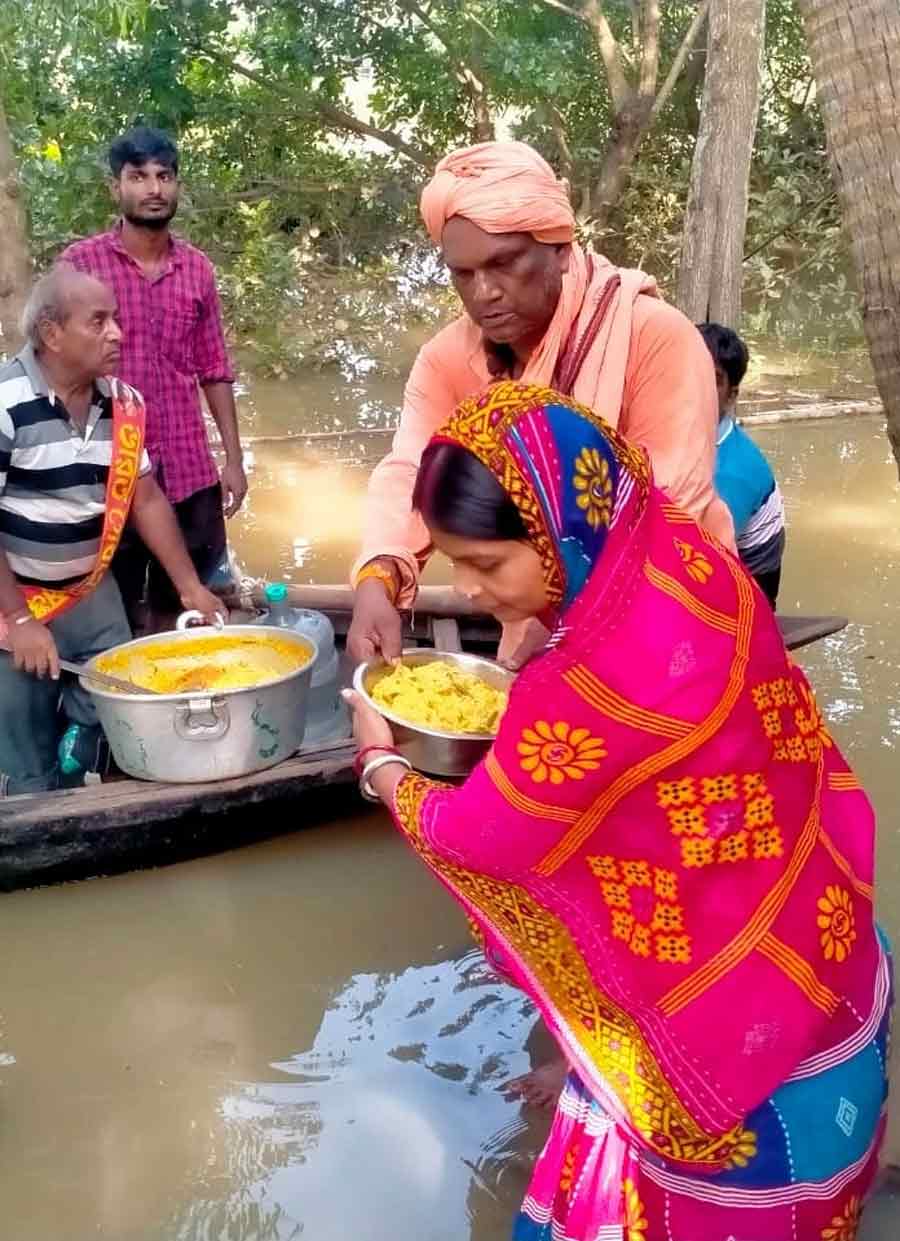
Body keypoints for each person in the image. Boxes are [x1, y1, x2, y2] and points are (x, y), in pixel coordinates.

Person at [343, 380, 889, 1240]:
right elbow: (668, 825)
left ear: (561, 531)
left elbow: (480, 838)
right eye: (456, 565)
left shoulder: (581, 690)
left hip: (733, 1059)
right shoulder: (691, 560)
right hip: (818, 946)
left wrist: (381, 765)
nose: (474, 592)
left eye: (488, 565)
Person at [348, 140, 733, 668]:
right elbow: (410, 473)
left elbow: (670, 501)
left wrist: (567, 627)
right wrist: (378, 578)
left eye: (504, 263)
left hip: (670, 610)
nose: (484, 292)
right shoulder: (446, 360)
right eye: (462, 273)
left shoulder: (653, 336)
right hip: (532, 627)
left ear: (557, 247)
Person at [0, 267, 224, 794]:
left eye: (116, 320)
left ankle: (80, 749)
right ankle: (38, 801)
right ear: (52, 335)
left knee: (112, 697)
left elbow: (145, 498)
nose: (117, 334)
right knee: (23, 735)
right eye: (98, 322)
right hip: (15, 597)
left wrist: (192, 587)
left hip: (88, 590)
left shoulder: (125, 404)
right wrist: (18, 620)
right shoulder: (6, 404)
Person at [61, 125, 246, 630]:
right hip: (109, 472)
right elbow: (55, 369)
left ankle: (181, 702)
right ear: (116, 188)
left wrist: (233, 459)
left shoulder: (197, 270)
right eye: (138, 176)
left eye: (164, 176)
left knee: (190, 606)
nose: (154, 189)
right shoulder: (81, 265)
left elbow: (214, 368)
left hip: (189, 469)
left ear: (177, 186)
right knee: (111, 614)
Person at [698, 322, 786, 608]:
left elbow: (704, 556)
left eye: (713, 378)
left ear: (732, 395)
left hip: (747, 597)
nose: (696, 384)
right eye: (691, 369)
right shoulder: (685, 434)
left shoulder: (733, 471)